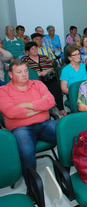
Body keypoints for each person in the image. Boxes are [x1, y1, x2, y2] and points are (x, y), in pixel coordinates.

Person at [0, 60, 57, 191]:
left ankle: (69, 172)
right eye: (19, 72)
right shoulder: (3, 90)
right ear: (10, 74)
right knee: (26, 152)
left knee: (67, 135)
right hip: (20, 128)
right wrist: (40, 106)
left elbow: (51, 101)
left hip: (44, 123)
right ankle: (32, 188)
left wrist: (25, 105)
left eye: (26, 71)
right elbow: (11, 112)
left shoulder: (37, 83)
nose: (24, 74)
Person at [22, 42, 66, 116]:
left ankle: (61, 109)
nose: (35, 50)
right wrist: (38, 74)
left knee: (55, 87)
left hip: (48, 78)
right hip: (35, 81)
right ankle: (46, 110)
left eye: (35, 48)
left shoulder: (44, 57)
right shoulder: (25, 61)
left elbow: (52, 67)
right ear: (27, 51)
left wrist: (46, 71)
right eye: (32, 49)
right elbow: (26, 72)